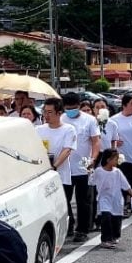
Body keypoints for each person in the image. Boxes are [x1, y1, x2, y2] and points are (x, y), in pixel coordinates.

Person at [61, 92, 99, 241]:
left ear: (79, 106)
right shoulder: (61, 119)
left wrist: (93, 159)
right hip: (65, 166)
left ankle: (82, 230)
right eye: (68, 108)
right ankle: (68, 226)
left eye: (74, 108)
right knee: (64, 199)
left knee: (84, 200)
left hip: (84, 164)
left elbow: (96, 141)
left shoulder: (89, 120)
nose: (71, 110)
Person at [37, 98, 79, 233]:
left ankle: (68, 225)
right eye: (45, 112)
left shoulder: (68, 129)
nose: (46, 115)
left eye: (50, 112)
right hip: (43, 174)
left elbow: (67, 150)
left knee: (62, 203)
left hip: (61, 173)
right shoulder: (39, 129)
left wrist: (54, 166)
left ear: (59, 113)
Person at [90, 148, 132, 249]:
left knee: (116, 219)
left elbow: (125, 184)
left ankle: (114, 237)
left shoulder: (117, 172)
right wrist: (89, 172)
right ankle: (105, 239)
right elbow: (92, 182)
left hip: (116, 199)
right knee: (106, 217)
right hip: (104, 198)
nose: (117, 161)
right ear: (108, 160)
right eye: (115, 159)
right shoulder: (99, 171)